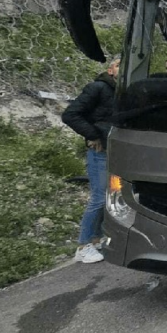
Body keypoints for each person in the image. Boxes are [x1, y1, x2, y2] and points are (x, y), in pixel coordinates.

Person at [61, 56, 120, 264]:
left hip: (116, 151)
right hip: (100, 151)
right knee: (99, 196)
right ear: (110, 70)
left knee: (110, 196)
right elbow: (70, 115)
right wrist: (92, 135)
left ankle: (95, 240)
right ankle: (83, 245)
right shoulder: (98, 88)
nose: (122, 70)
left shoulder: (123, 92)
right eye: (118, 65)